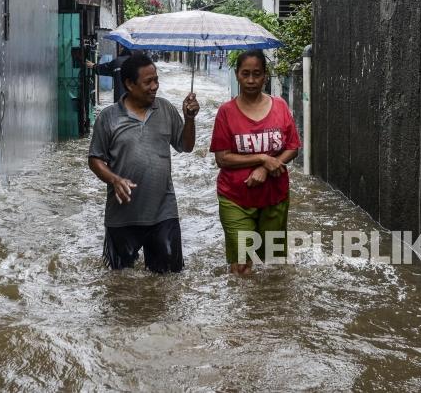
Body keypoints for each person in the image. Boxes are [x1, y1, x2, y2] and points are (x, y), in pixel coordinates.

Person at [88, 54, 200, 273]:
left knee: (169, 280)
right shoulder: (108, 117)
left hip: (163, 212)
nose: (154, 86)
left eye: (156, 80)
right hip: (122, 216)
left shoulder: (166, 109)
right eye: (148, 82)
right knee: (120, 282)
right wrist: (114, 179)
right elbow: (95, 159)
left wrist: (189, 119)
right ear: (129, 84)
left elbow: (186, 146)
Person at [209, 50, 300, 274]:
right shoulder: (226, 112)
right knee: (243, 265)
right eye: (245, 74)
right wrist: (262, 158)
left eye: (257, 74)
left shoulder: (280, 107)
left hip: (274, 196)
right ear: (237, 75)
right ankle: (242, 308)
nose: (251, 80)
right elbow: (222, 158)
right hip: (235, 198)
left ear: (265, 77)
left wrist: (265, 169)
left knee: (272, 266)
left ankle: (268, 309)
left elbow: (292, 147)